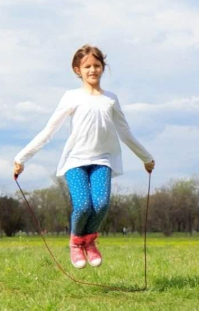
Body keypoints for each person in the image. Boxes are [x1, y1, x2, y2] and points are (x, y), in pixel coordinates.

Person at [13, 44, 155, 269]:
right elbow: (49, 130)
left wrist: (146, 158)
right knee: (82, 205)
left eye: (97, 65)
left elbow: (125, 133)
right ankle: (76, 243)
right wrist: (21, 158)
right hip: (75, 161)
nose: (92, 70)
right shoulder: (71, 97)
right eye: (87, 66)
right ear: (77, 70)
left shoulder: (110, 99)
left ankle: (89, 242)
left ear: (103, 68)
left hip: (102, 159)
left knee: (100, 204)